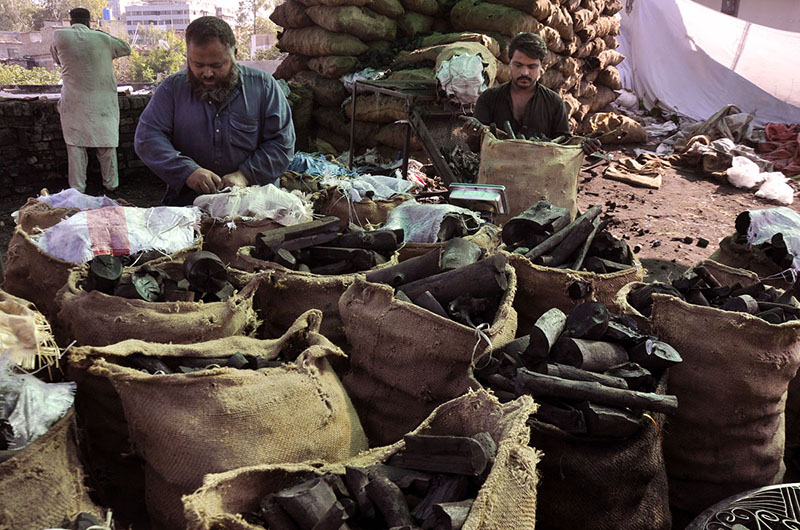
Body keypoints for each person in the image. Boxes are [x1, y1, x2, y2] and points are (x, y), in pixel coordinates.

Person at [134, 16, 295, 206]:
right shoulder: (172, 89)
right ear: (188, 57)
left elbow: (282, 143)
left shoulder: (264, 86)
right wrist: (187, 171)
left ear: (235, 53)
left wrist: (245, 175)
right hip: (189, 203)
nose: (207, 73)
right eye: (198, 65)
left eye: (217, 65)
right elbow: (147, 138)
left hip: (254, 202)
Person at [463, 32, 601, 155]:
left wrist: (582, 145)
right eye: (518, 65)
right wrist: (473, 133)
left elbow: (564, 145)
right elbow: (475, 147)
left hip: (540, 176)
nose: (524, 72)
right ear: (509, 63)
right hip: (497, 173)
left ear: (541, 67)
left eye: (531, 66)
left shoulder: (554, 102)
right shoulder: (489, 98)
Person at [51, 7, 131, 194]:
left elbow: (57, 60)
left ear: (70, 21)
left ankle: (77, 189)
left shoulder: (59, 36)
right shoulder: (103, 39)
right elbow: (126, 48)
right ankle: (111, 185)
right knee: (106, 145)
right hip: (103, 103)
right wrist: (99, 33)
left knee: (76, 146)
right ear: (89, 22)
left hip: (74, 101)